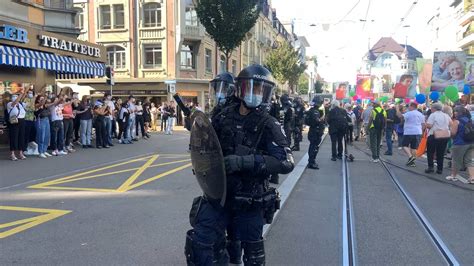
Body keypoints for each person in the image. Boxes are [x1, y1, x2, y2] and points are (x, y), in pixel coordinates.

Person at [185, 64, 294, 265]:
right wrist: (195, 128)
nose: (256, 93)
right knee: (200, 242)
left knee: (253, 256)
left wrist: (244, 162)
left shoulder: (268, 123)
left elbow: (286, 162)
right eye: (252, 87)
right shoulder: (224, 115)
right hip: (220, 194)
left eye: (261, 89)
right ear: (240, 89)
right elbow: (207, 143)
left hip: (249, 198)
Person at [446, 106, 474, 183]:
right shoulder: (470, 120)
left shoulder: (457, 121)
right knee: (469, 160)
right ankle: (472, 177)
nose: (454, 113)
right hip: (471, 142)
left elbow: (453, 133)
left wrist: (450, 134)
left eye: (455, 111)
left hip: (460, 143)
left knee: (456, 160)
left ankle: (453, 176)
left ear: (458, 112)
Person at [425, 103, 452, 174]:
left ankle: (430, 167)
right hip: (444, 135)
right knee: (441, 153)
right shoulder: (446, 115)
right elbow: (451, 124)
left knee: (430, 152)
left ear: (434, 108)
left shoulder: (433, 115)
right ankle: (440, 169)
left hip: (434, 135)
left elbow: (429, 126)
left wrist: (426, 124)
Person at [396, 102, 425, 167]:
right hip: (418, 132)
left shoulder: (409, 113)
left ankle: (410, 156)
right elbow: (423, 124)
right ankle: (412, 162)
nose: (408, 107)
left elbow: (399, 116)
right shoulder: (421, 114)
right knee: (414, 147)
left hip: (409, 132)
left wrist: (397, 109)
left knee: (404, 145)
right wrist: (422, 132)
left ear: (412, 106)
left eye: (409, 106)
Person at [7, 89, 28, 160]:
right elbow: (15, 102)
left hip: (22, 121)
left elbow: (24, 100)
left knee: (21, 137)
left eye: (16, 96)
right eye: (14, 96)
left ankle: (20, 153)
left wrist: (24, 92)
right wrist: (20, 95)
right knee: (14, 137)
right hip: (14, 121)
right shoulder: (9, 104)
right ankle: (12, 154)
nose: (16, 97)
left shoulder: (21, 104)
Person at [305, 96, 325, 169]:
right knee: (314, 147)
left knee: (314, 147)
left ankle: (312, 161)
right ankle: (311, 162)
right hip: (315, 132)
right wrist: (321, 119)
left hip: (314, 131)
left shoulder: (313, 110)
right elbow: (317, 121)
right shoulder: (315, 111)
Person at [35, 94, 52, 158]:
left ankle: (44, 150)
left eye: (43, 99)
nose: (43, 100)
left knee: (47, 136)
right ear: (38, 100)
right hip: (40, 120)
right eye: (41, 99)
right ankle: (40, 152)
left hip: (46, 120)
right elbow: (40, 105)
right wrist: (45, 97)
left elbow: (51, 104)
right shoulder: (37, 105)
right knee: (41, 136)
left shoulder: (45, 105)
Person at [23, 86, 37, 156]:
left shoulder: (33, 100)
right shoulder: (25, 99)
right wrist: (32, 108)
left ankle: (30, 146)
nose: (30, 94)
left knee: (32, 133)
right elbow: (27, 108)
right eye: (29, 93)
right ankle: (24, 149)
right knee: (26, 134)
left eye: (31, 93)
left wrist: (32, 108)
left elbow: (34, 108)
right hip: (26, 119)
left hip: (32, 119)